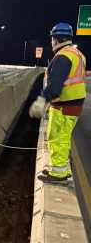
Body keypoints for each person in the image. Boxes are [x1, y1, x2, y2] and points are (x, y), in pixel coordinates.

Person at [29, 22, 87, 183]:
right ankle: (61, 169)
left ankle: (59, 174)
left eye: (52, 38)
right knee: (63, 137)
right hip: (73, 104)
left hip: (64, 105)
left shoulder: (63, 57)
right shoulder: (77, 54)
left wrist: (41, 102)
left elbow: (55, 86)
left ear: (56, 39)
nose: (51, 42)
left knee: (57, 138)